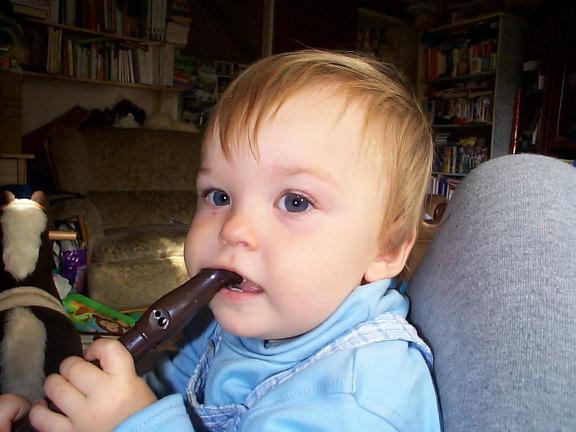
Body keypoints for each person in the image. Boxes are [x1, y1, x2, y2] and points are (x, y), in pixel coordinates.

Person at [0, 49, 440, 432]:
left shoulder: (360, 401)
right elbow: (164, 392)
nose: (233, 228)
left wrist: (134, 422)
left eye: (295, 202)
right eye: (219, 196)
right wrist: (80, 410)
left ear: (386, 249)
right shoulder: (225, 324)